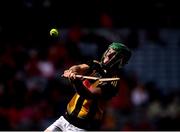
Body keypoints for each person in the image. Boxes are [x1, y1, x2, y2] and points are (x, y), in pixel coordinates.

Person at [45, 42, 132, 131]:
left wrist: (75, 82)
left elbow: (88, 95)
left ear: (121, 61)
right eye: (109, 51)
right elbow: (79, 67)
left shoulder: (113, 82)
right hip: (64, 119)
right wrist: (72, 71)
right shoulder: (95, 65)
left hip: (81, 127)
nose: (108, 54)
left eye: (113, 54)